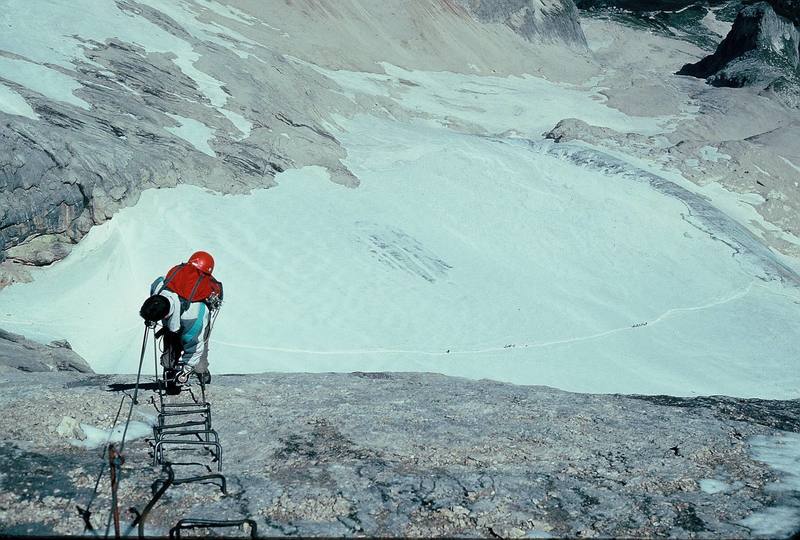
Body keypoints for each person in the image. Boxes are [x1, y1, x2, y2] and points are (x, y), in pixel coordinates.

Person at [140, 251, 223, 388]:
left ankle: (171, 368)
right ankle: (201, 372)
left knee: (179, 342)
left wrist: (185, 372)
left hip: (194, 321)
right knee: (197, 349)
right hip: (191, 320)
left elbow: (196, 347)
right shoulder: (160, 289)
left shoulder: (193, 314)